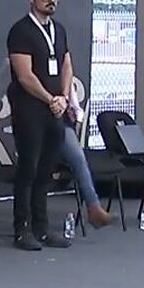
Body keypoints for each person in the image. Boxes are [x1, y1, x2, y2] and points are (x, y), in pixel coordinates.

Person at [5, 0, 74, 250]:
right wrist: (49, 98)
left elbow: (67, 63)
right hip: (30, 108)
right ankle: (22, 229)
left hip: (55, 109)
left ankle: (42, 227)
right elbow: (25, 75)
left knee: (46, 170)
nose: (51, 0)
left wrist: (64, 97)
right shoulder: (21, 31)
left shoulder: (59, 29)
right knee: (29, 168)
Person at [57, 91, 115, 227]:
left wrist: (68, 103)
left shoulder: (64, 75)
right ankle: (93, 206)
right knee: (77, 157)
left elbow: (75, 106)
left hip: (62, 120)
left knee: (78, 158)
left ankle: (94, 207)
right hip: (40, 117)